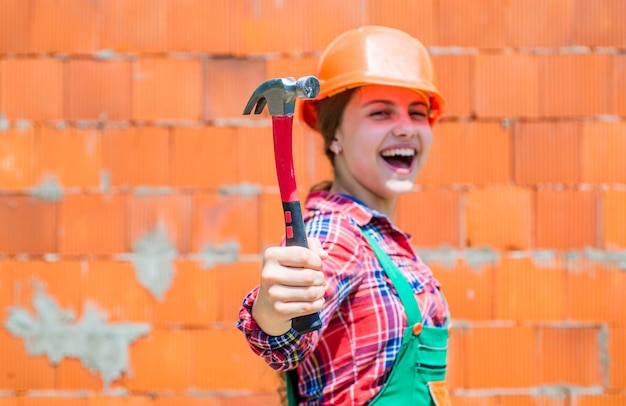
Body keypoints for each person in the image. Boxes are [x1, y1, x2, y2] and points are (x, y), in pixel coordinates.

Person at [237, 25, 451, 405]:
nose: (405, 128)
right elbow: (284, 339)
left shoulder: (380, 237)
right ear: (334, 133)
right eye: (380, 112)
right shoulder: (338, 233)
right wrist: (273, 310)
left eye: (417, 113)